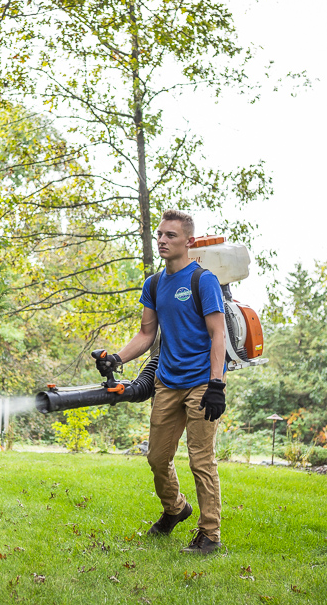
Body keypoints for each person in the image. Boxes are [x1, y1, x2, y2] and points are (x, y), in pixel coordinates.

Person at [97, 209, 227, 555]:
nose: (162, 240)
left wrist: (217, 385)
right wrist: (117, 359)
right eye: (159, 234)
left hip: (201, 381)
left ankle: (209, 535)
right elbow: (146, 333)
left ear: (189, 241)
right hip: (167, 382)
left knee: (201, 460)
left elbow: (218, 335)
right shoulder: (154, 283)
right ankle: (176, 508)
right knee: (157, 457)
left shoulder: (203, 281)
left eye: (170, 235)